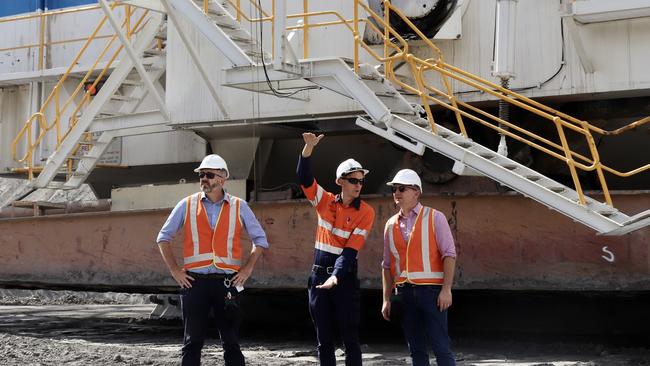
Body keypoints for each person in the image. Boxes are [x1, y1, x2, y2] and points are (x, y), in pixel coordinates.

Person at [156, 154, 269, 366]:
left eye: (208, 175)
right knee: (192, 343)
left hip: (227, 284)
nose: (203, 179)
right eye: (201, 175)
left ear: (222, 179)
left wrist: (246, 270)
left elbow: (260, 240)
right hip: (194, 283)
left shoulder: (239, 206)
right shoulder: (187, 204)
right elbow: (163, 238)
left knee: (231, 343)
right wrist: (174, 270)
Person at [297, 132, 376, 366]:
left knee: (350, 338)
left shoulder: (366, 212)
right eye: (354, 180)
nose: (358, 185)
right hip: (319, 275)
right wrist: (308, 148)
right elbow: (304, 177)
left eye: (361, 181)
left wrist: (335, 277)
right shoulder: (325, 201)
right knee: (324, 339)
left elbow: (350, 251)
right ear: (340, 182)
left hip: (344, 278)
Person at [381, 169, 457, 366]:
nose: (396, 192)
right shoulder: (390, 225)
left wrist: (446, 290)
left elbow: (449, 254)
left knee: (441, 347)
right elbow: (387, 266)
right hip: (405, 294)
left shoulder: (435, 217)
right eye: (394, 189)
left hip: (431, 294)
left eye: (402, 188)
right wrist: (386, 299)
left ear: (416, 191)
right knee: (416, 350)